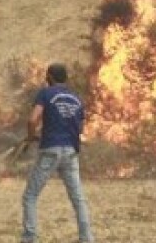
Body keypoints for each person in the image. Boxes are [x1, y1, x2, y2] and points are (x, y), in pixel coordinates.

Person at [20, 62, 94, 243]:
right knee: (78, 198)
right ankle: (87, 238)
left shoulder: (45, 93)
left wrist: (31, 137)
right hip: (70, 151)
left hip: (51, 150)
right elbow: (81, 128)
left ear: (50, 77)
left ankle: (30, 238)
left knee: (30, 196)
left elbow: (32, 120)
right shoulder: (76, 98)